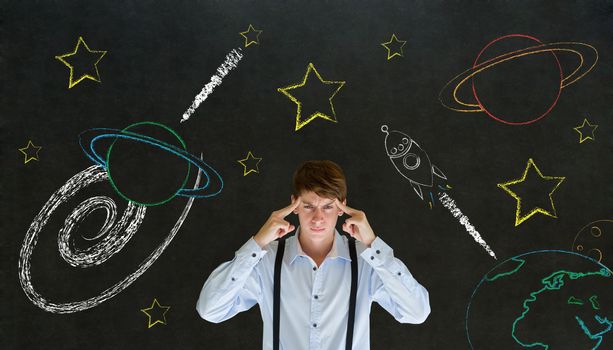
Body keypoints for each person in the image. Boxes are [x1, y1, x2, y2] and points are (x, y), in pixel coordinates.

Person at [196, 160, 430, 349]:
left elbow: (417, 312)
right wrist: (257, 243)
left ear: (342, 208)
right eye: (309, 206)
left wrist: (372, 243)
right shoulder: (266, 260)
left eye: (328, 206)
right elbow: (210, 310)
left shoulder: (366, 260)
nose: (318, 218)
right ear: (294, 205)